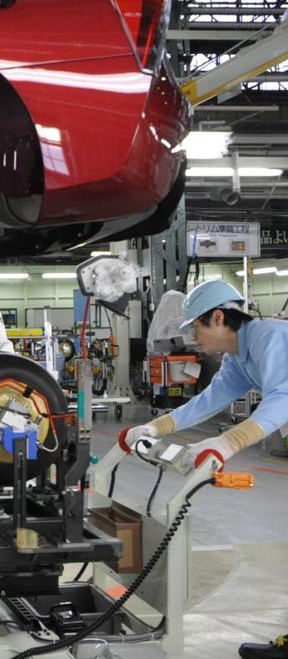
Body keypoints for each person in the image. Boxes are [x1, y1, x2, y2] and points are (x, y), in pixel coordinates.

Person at [117, 280, 288, 659]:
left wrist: (229, 442)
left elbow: (284, 396)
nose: (192, 337)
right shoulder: (240, 356)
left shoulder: (269, 337)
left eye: (195, 327)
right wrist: (154, 427)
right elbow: (211, 400)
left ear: (218, 317)